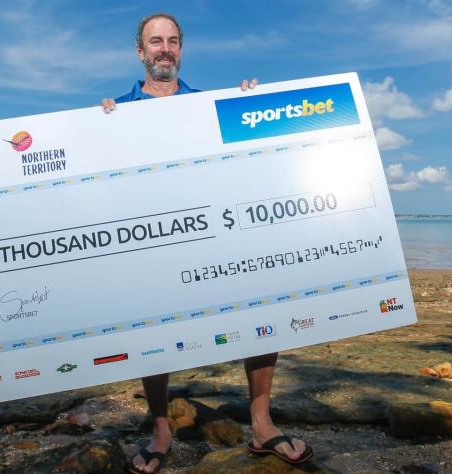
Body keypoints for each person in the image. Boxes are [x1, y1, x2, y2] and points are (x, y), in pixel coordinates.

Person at [100, 12, 312, 474]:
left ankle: (261, 423)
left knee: (261, 310)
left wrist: (252, 103)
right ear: (140, 52)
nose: (164, 50)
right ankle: (160, 430)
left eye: (173, 41)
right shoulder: (113, 112)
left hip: (213, 232)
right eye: (155, 42)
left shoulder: (209, 105)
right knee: (150, 327)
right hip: (153, 236)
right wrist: (96, 128)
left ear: (181, 50)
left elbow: (247, 156)